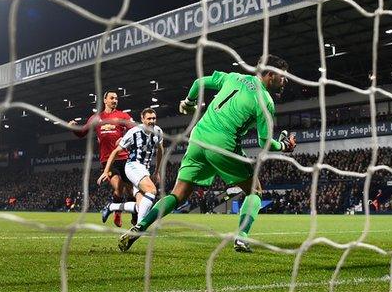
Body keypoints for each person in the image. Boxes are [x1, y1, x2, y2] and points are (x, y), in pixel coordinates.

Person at [118, 55, 296, 253]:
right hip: (223, 144)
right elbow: (265, 144)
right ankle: (241, 237)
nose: (285, 81)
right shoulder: (265, 101)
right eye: (283, 77)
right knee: (255, 191)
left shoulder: (233, 77)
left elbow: (199, 82)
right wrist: (283, 146)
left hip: (198, 138)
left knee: (178, 194)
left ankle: (140, 226)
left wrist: (188, 102)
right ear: (270, 75)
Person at [70, 90, 137, 227]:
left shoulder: (122, 115)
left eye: (116, 98)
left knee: (131, 191)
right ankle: (117, 213)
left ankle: (135, 216)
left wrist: (125, 138)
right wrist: (73, 127)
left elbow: (135, 129)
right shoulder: (96, 118)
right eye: (112, 98)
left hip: (124, 158)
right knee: (118, 187)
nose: (115, 100)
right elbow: (82, 133)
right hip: (108, 161)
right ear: (105, 100)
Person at [99, 108, 164, 224]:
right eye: (149, 118)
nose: (152, 121)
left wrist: (157, 171)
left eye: (154, 118)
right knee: (152, 191)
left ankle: (111, 207)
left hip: (145, 170)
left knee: (141, 206)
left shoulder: (158, 131)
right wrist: (106, 171)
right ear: (142, 119)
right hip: (133, 166)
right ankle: (139, 227)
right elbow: (115, 152)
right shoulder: (134, 132)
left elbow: (160, 150)